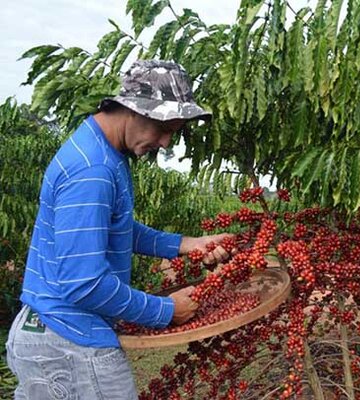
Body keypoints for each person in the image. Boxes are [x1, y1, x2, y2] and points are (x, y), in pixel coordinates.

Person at [5, 60, 229, 399]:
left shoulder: (102, 151)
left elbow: (113, 227)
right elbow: (85, 284)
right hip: (69, 342)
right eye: (164, 127)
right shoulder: (92, 170)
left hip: (54, 329)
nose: (166, 142)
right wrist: (165, 311)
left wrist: (185, 244)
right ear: (135, 109)